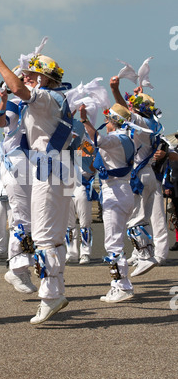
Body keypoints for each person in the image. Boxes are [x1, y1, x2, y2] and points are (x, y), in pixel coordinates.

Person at [0, 48, 74, 324]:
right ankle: (54, 291)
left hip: (48, 169)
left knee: (45, 236)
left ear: (44, 79)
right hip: (60, 168)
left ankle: (50, 297)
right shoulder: (58, 99)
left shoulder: (45, 99)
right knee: (54, 234)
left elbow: (17, 88)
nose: (26, 77)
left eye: (32, 74)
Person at [79, 102, 135, 303]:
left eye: (107, 119)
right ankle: (120, 285)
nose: (104, 122)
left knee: (113, 242)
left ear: (112, 121)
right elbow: (97, 149)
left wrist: (84, 120)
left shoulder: (116, 138)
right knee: (116, 239)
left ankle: (122, 286)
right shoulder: (127, 139)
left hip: (115, 191)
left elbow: (99, 140)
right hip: (123, 190)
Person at [110, 76, 163, 277]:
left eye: (133, 106)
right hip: (148, 173)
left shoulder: (140, 122)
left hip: (139, 174)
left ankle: (145, 255)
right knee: (143, 217)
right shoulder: (153, 123)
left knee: (134, 219)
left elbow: (122, 110)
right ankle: (143, 253)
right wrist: (137, 97)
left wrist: (115, 89)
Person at [0, 77, 37, 294]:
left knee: (30, 217)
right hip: (17, 164)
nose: (31, 81)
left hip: (31, 163)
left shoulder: (34, 103)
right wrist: (3, 102)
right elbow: (1, 122)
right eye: (26, 78)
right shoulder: (14, 104)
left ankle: (22, 266)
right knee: (21, 217)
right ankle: (16, 267)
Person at [66, 139, 97, 265]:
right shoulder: (62, 144)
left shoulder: (86, 146)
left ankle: (85, 253)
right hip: (66, 186)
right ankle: (71, 253)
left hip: (81, 185)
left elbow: (91, 170)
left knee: (85, 222)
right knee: (69, 224)